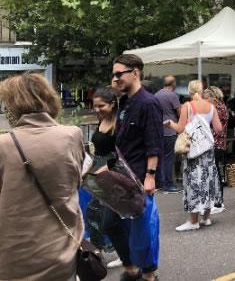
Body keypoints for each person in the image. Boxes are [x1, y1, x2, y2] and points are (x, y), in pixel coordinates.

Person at [0, 74, 85, 281]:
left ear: (13, 106)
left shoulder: (3, 145)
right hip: (62, 249)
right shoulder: (72, 136)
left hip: (12, 256)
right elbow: (76, 182)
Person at [106, 54, 162, 281]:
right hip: (121, 176)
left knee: (141, 228)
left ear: (135, 73)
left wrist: (150, 176)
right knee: (111, 224)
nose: (115, 78)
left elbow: (154, 143)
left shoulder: (148, 103)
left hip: (138, 178)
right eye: (113, 74)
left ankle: (148, 275)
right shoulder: (126, 103)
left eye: (119, 74)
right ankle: (133, 269)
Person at [165, 80, 222, 231]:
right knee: (208, 180)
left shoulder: (187, 106)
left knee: (193, 183)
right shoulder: (211, 106)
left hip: (194, 151)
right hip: (208, 150)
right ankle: (207, 218)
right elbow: (218, 128)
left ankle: (193, 221)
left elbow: (180, 128)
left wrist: (170, 123)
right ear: (202, 91)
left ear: (190, 92)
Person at [83, 87, 118, 259]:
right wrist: (87, 171)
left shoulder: (119, 123)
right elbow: (96, 152)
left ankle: (110, 251)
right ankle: (99, 251)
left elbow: (120, 154)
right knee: (95, 212)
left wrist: (105, 169)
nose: (97, 110)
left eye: (101, 106)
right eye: (95, 106)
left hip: (111, 170)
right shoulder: (101, 120)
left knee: (103, 212)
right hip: (97, 168)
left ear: (112, 104)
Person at [154, 76, 182, 193]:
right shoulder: (173, 96)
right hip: (170, 131)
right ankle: (168, 184)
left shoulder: (156, 95)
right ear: (173, 84)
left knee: (160, 158)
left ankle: (160, 182)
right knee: (169, 158)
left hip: (158, 130)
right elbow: (180, 113)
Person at [204, 86, 230, 212]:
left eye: (206, 98)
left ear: (213, 99)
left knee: (214, 174)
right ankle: (216, 201)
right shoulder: (221, 107)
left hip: (215, 144)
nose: (204, 100)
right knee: (214, 173)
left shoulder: (218, 109)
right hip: (217, 144)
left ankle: (218, 203)